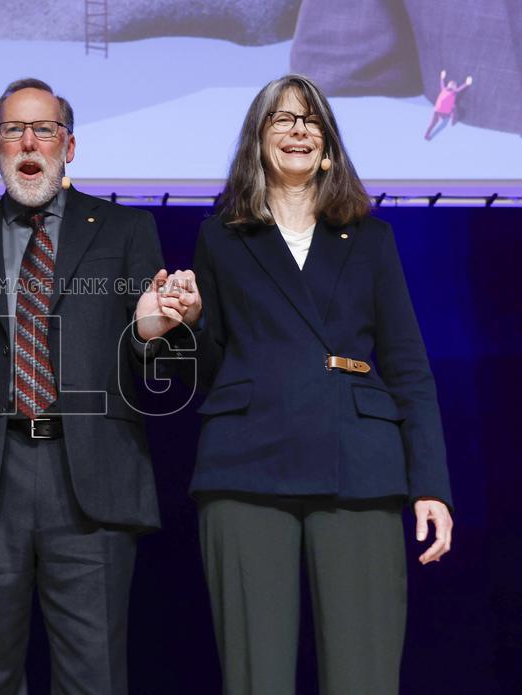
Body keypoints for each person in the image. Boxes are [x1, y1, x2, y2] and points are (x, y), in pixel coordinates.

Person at [0, 77, 198, 694]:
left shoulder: (126, 231)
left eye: (43, 129)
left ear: (68, 146)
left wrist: (152, 333)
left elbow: (154, 374)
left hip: (93, 482)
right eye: (13, 130)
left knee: (93, 677)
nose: (29, 141)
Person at [184, 74, 454, 694]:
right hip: (246, 468)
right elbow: (208, 368)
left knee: (364, 677)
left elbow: (409, 367)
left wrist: (431, 485)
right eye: (281, 119)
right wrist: (188, 325)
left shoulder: (372, 238)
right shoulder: (221, 237)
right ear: (259, 141)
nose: (298, 129)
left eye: (310, 120)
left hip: (358, 467)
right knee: (257, 680)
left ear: (328, 145)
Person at [425, 70, 474, 140]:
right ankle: (452, 121)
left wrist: (442, 77)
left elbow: (443, 83)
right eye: (452, 84)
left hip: (440, 110)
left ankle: (427, 134)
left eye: (453, 84)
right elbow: (458, 88)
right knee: (453, 108)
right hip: (441, 111)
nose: (452, 85)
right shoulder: (450, 90)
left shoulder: (448, 90)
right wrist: (466, 83)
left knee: (434, 123)